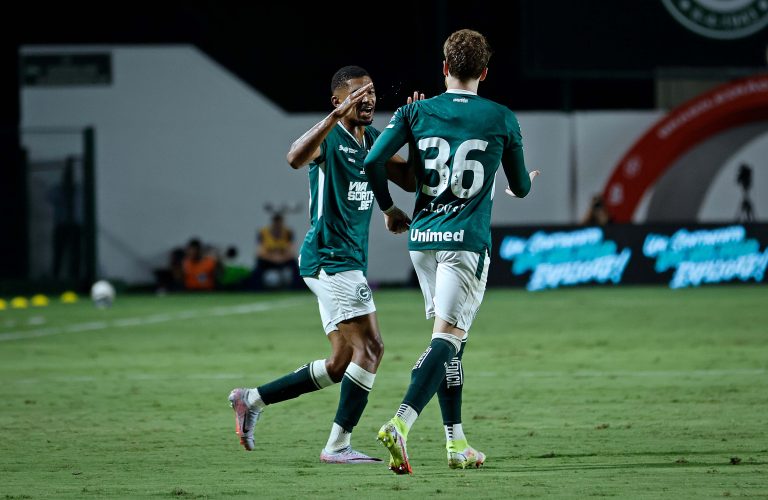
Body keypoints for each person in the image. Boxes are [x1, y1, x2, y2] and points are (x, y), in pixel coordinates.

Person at [363, 29, 540, 474]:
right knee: (448, 339)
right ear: (484, 71)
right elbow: (519, 186)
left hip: (422, 242)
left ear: (444, 68)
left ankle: (456, 442)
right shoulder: (501, 116)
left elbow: (372, 161)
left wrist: (388, 209)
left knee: (450, 345)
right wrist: (527, 184)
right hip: (465, 243)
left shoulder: (414, 111)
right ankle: (400, 424)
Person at [228, 65, 416, 463]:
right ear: (338, 101)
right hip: (332, 258)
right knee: (372, 347)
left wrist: (413, 135)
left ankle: (251, 399)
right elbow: (294, 157)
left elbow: (411, 180)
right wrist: (332, 118)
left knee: (341, 362)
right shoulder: (330, 138)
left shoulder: (375, 141)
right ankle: (337, 446)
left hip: (339, 260)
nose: (367, 99)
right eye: (356, 93)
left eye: (371, 92)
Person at [252, 213, 300, 290]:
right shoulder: (263, 232)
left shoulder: (288, 233)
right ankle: (256, 287)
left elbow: (291, 251)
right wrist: (273, 258)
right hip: (269, 259)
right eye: (276, 223)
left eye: (279, 223)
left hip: (283, 259)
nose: (278, 225)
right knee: (259, 264)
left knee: (294, 264)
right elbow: (260, 252)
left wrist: (281, 258)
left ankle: (297, 287)